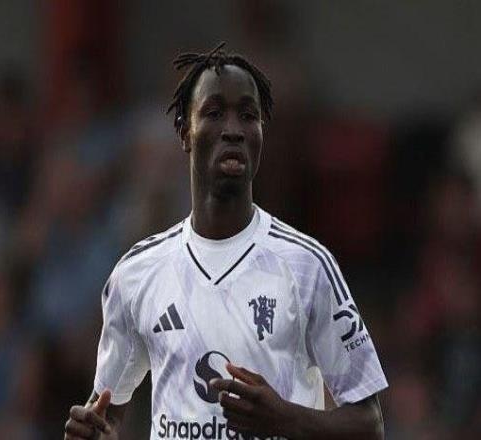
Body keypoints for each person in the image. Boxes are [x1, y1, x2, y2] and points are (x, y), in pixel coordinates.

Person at [64, 42, 388, 440]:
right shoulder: (136, 273)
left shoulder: (307, 266)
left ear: (260, 134)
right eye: (214, 113)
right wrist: (96, 432)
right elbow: (108, 412)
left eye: (248, 116)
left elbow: (369, 424)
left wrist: (283, 418)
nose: (233, 129)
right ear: (185, 132)